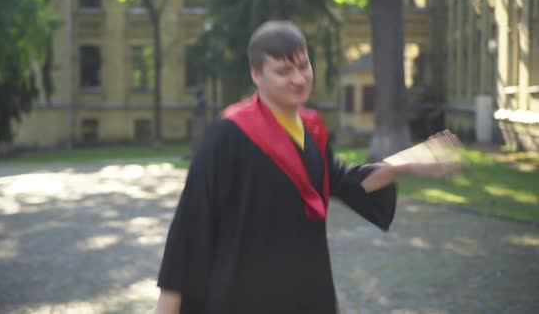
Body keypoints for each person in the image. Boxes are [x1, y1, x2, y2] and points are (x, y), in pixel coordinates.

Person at [154, 20, 461, 314]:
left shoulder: (311, 130)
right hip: (243, 297)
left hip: (306, 294)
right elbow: (190, 229)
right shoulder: (229, 135)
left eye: (303, 66)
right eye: (284, 71)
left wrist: (405, 163)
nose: (299, 79)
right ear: (256, 75)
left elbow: (345, 182)